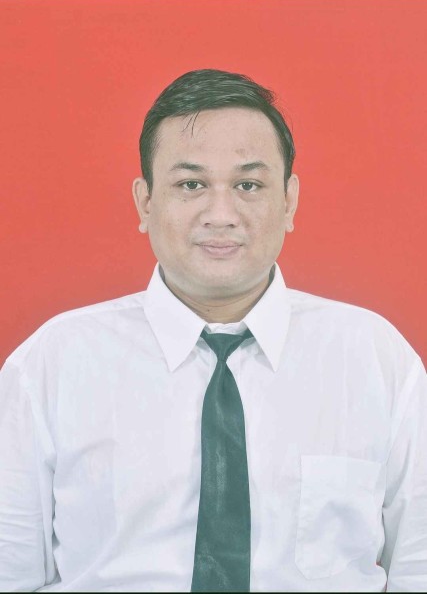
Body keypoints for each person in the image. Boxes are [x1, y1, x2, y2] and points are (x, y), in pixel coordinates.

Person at [0, 68, 426, 593]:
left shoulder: (373, 358)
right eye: (191, 184)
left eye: (248, 185)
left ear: (288, 201)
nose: (221, 214)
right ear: (145, 201)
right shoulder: (52, 364)